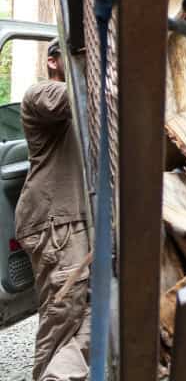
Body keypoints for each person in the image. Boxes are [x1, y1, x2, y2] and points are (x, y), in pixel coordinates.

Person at [15, 38, 90, 380]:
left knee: (84, 319)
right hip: (55, 224)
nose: (82, 63)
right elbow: (75, 97)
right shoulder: (40, 95)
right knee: (62, 317)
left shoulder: (89, 110)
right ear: (53, 62)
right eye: (73, 57)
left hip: (74, 221)